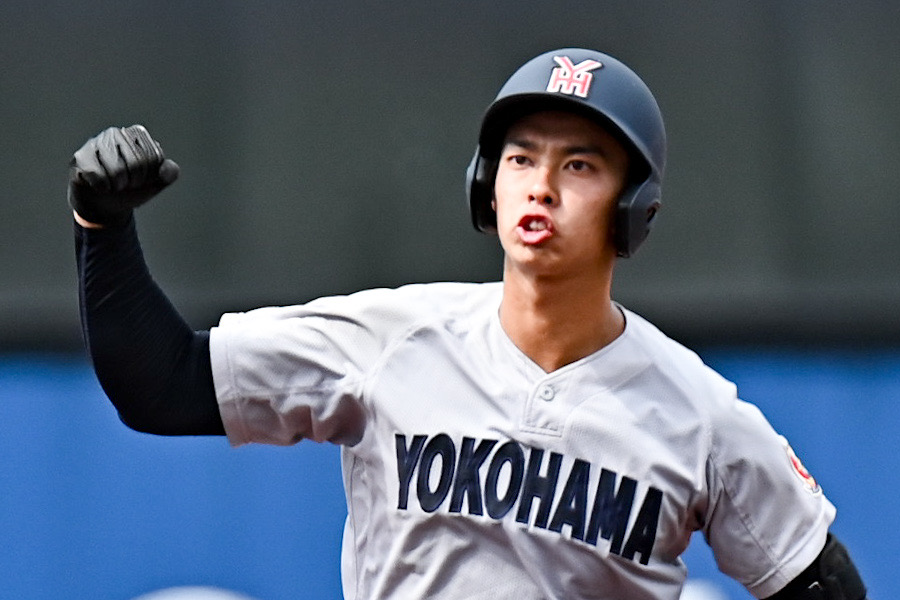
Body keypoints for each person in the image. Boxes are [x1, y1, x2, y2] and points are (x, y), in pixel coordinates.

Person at [68, 48, 867, 599]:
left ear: (634, 207)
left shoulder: (698, 414)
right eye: (521, 158)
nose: (541, 186)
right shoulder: (394, 340)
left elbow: (817, 581)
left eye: (579, 165)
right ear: (486, 184)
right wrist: (100, 226)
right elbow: (162, 386)